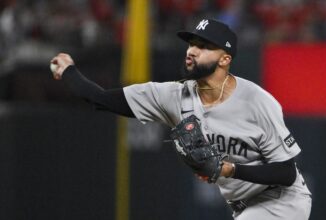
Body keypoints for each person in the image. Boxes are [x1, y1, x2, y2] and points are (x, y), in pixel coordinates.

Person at [51, 18, 312, 220]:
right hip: (243, 208)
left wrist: (229, 169)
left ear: (225, 58)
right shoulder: (173, 97)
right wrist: (69, 70)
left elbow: (286, 173)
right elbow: (101, 99)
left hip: (282, 201)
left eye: (204, 46)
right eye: (191, 43)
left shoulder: (257, 102)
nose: (192, 51)